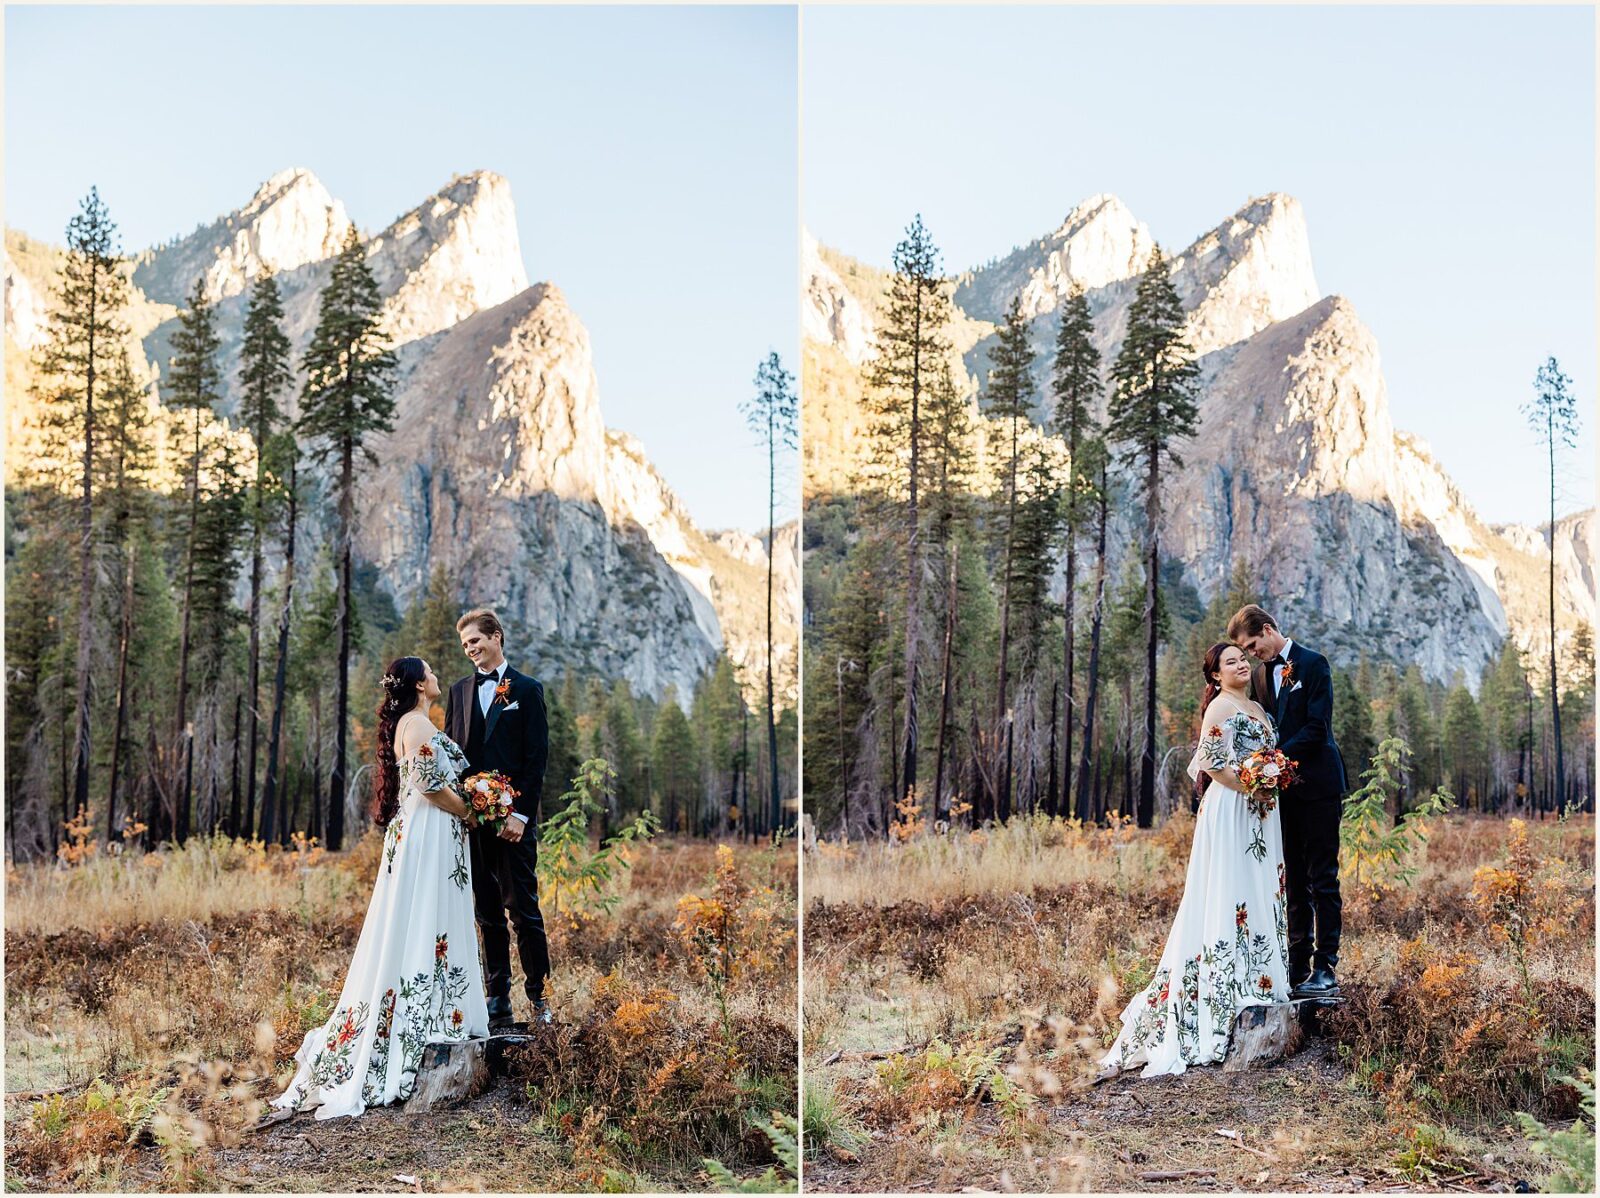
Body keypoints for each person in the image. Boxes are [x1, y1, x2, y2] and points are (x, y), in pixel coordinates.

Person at [272, 657, 488, 1119]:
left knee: (425, 920)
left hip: (428, 832)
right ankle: (418, 1019)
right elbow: (431, 787)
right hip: (429, 833)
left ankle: (436, 1008)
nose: (436, 675)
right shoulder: (416, 725)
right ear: (417, 684)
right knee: (426, 915)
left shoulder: (416, 723)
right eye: (429, 671)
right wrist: (471, 811)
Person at [1100, 643, 1290, 1077]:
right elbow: (1210, 762)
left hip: (1262, 813)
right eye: (1231, 662)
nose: (1242, 664)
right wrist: (1250, 785)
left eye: (1244, 658)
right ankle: (1222, 993)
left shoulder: (1258, 707)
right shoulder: (1220, 708)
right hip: (1232, 810)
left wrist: (1271, 778)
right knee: (1231, 890)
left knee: (1261, 889)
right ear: (1216, 676)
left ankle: (1258, 978)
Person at [1229, 603, 1346, 999]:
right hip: (1283, 793)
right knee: (1293, 881)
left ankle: (1325, 967)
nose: (1251, 654)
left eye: (1251, 645)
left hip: (1319, 786)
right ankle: (1296, 966)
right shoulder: (1262, 677)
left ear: (1266, 630)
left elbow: (1317, 726)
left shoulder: (1314, 664)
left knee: (1323, 878)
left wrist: (1273, 759)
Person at [445, 609, 552, 1030]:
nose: (471, 650)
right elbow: (455, 755)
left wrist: (521, 815)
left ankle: (539, 998)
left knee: (523, 911)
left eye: (476, 641)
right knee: (486, 913)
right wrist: (462, 809)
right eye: (465, 645)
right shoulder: (458, 692)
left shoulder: (527, 690)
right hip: (473, 823)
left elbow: (535, 758)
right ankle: (497, 998)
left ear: (496, 637)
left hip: (514, 825)